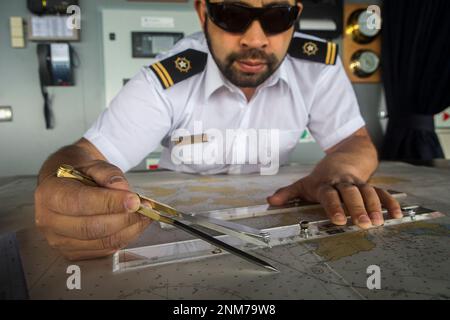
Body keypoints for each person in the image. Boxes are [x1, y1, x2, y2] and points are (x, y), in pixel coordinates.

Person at [34, 0, 402, 260]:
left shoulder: (317, 66)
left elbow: (354, 142)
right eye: (231, 14)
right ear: (203, 11)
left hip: (276, 222)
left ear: (296, 15)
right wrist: (64, 187)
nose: (255, 40)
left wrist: (339, 175)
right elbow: (85, 157)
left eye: (276, 16)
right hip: (180, 230)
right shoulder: (167, 79)